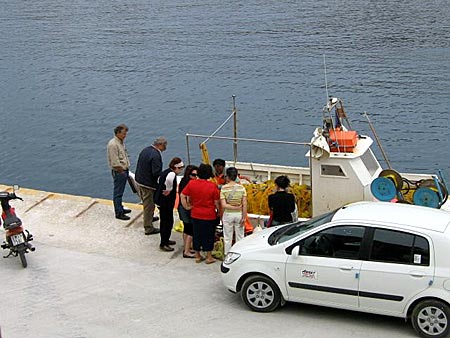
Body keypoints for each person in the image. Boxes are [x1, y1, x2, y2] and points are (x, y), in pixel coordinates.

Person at [180, 164, 220, 264]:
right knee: (209, 235)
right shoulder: (212, 186)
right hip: (209, 215)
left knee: (197, 235)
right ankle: (209, 256)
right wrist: (219, 212)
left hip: (195, 214)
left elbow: (182, 195)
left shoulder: (192, 184)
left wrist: (187, 206)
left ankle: (197, 256)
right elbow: (217, 202)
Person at [135, 137, 168, 235]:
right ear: (161, 145)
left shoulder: (145, 150)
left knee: (146, 203)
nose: (165, 148)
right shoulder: (156, 155)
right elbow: (156, 172)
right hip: (148, 184)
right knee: (149, 205)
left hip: (139, 180)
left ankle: (149, 218)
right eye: (165, 145)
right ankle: (148, 227)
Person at [154, 157, 185, 252]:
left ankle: (166, 240)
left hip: (161, 201)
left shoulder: (166, 172)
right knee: (167, 222)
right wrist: (169, 189)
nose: (181, 170)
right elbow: (168, 180)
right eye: (180, 168)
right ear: (176, 167)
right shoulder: (171, 174)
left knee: (166, 221)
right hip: (165, 203)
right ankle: (164, 243)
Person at [107, 124, 132, 220]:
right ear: (117, 133)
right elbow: (114, 161)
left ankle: (120, 207)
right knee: (118, 192)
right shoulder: (113, 144)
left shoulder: (120, 142)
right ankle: (118, 212)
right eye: (123, 134)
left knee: (120, 192)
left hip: (123, 170)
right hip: (119, 171)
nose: (125, 136)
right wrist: (121, 170)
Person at [220, 167, 247, 254]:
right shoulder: (242, 188)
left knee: (228, 237)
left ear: (227, 176)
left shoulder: (224, 188)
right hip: (239, 215)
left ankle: (227, 255)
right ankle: (239, 254)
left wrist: (233, 208)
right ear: (236, 177)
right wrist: (244, 217)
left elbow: (223, 205)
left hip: (228, 214)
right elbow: (245, 204)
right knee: (240, 236)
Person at [178, 165, 199, 258]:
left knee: (186, 228)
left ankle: (187, 246)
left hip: (181, 208)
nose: (195, 177)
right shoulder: (188, 184)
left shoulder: (183, 181)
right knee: (191, 230)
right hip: (185, 208)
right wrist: (187, 207)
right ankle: (187, 251)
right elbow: (184, 196)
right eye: (193, 175)